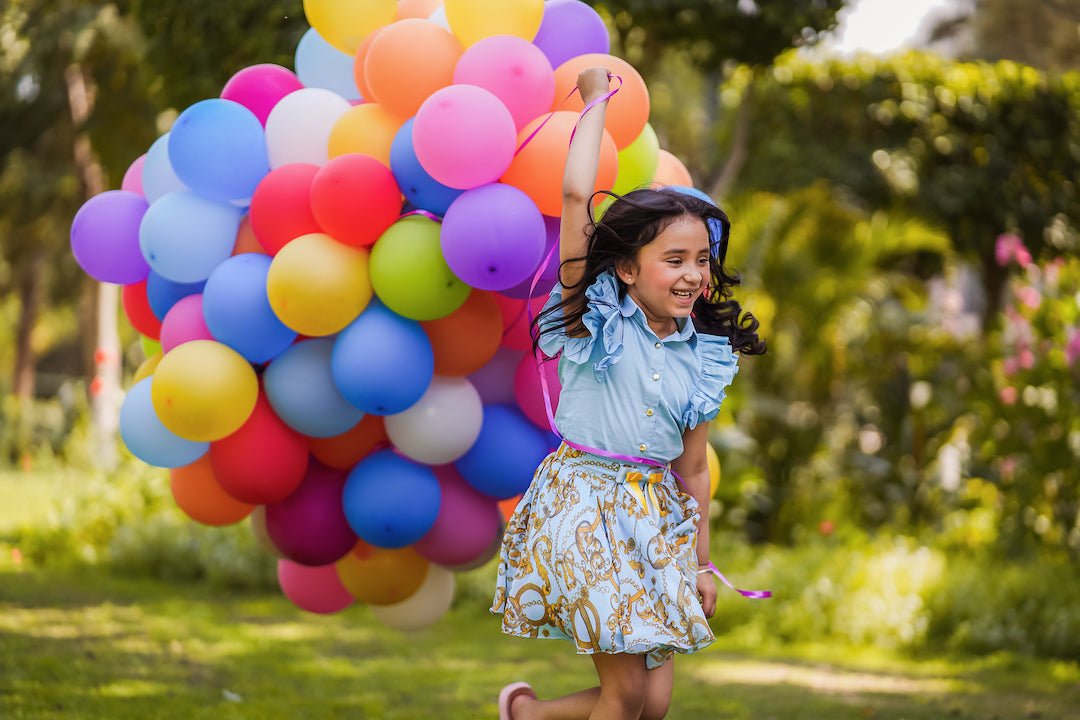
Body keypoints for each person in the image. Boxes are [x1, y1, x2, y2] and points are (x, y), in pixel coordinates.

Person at [491, 66, 767, 720]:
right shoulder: (593, 321)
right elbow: (576, 197)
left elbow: (692, 469)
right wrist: (595, 102)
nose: (693, 274)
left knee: (654, 702)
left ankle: (528, 715)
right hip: (585, 506)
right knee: (625, 695)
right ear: (625, 268)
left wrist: (702, 564)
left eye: (700, 260)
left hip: (655, 521)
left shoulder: (704, 356)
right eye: (674, 260)